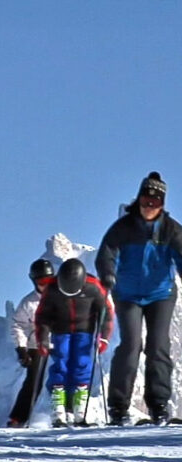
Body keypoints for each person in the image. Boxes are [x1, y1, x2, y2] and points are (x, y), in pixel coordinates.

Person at [95, 171, 182, 425]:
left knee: (159, 345)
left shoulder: (171, 230)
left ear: (162, 205)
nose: (148, 208)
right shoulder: (123, 228)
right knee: (131, 346)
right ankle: (119, 407)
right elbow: (106, 253)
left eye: (154, 204)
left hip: (161, 294)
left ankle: (159, 405)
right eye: (145, 202)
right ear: (139, 200)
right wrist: (108, 274)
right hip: (128, 295)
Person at [35, 258, 113, 427]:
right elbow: (42, 316)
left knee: (82, 364)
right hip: (60, 330)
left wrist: (104, 337)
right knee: (60, 364)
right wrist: (42, 339)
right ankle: (59, 411)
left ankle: (80, 411)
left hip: (84, 330)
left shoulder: (94, 287)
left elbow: (106, 313)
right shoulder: (52, 290)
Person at [7, 258, 54, 428]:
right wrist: (21, 348)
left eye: (49, 281)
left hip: (59, 343)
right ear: (34, 281)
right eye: (42, 282)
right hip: (37, 345)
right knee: (33, 382)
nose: (45, 285)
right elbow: (17, 324)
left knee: (63, 378)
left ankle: (66, 414)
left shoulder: (61, 296)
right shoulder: (28, 302)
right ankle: (18, 418)